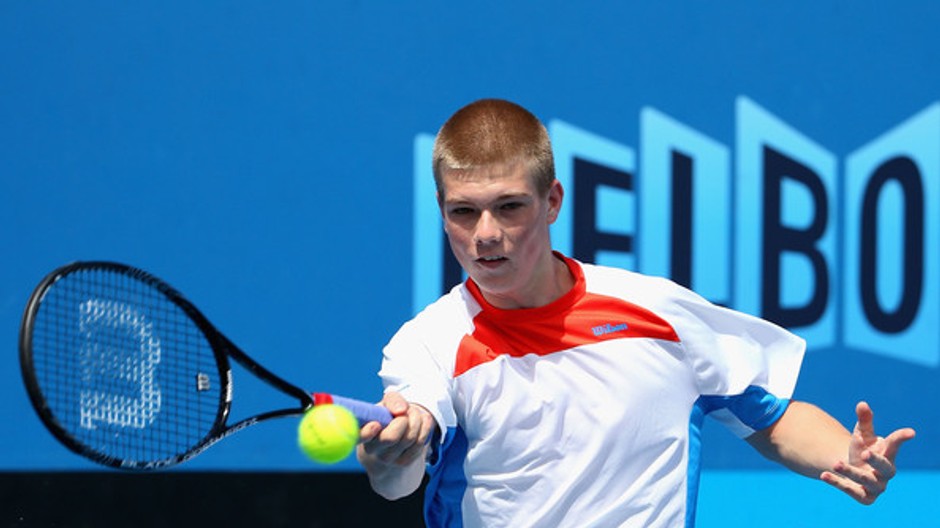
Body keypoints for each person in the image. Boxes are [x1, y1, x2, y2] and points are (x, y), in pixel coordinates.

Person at [357, 98, 916, 527]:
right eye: (464, 212)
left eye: (509, 207)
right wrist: (390, 455)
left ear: (552, 201)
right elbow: (399, 475)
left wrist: (847, 456)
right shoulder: (427, 344)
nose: (485, 234)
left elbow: (771, 419)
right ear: (441, 210)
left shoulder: (658, 313)